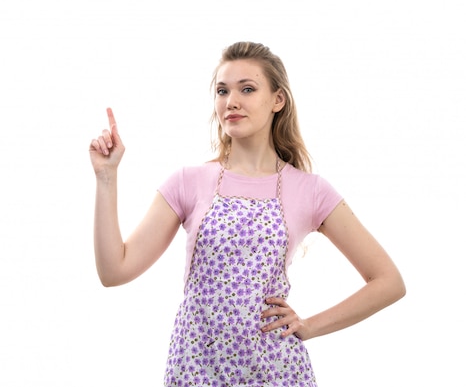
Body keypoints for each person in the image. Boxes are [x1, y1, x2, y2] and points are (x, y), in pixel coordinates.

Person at [88, 41, 406, 387]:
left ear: (277, 101)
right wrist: (107, 177)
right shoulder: (188, 182)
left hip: (275, 371)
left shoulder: (310, 190)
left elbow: (388, 282)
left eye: (248, 89)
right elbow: (114, 271)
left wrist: (309, 326)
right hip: (196, 368)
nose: (231, 101)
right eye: (222, 90)